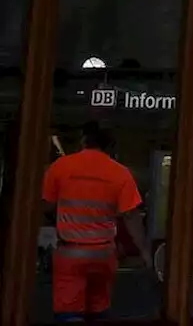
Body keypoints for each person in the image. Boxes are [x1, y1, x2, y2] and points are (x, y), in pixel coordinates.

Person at [42, 122, 150, 323]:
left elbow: (45, 206)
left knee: (69, 312)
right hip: (104, 254)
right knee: (98, 310)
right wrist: (144, 250)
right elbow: (131, 216)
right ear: (110, 146)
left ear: (84, 140)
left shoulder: (61, 167)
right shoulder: (120, 173)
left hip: (70, 253)